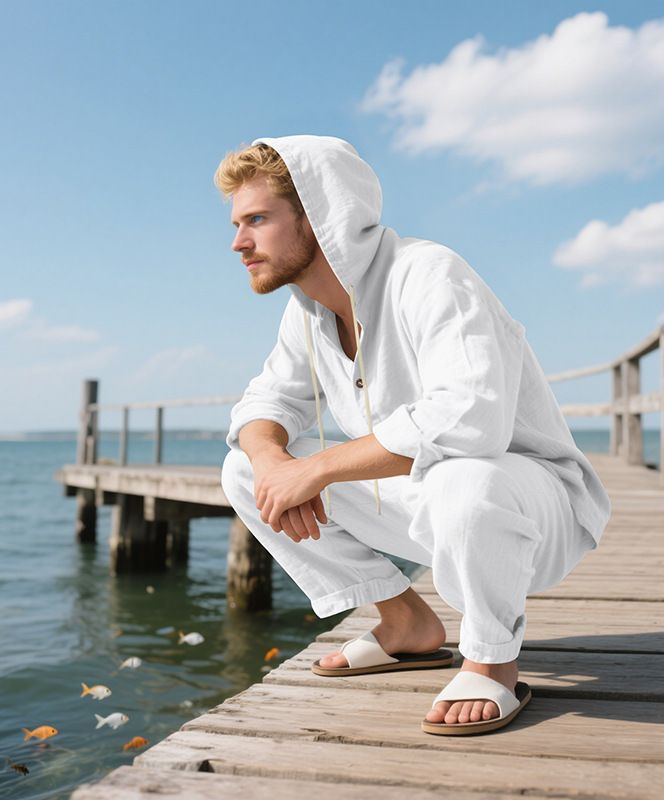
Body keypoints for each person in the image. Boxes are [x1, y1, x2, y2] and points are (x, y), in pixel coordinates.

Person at [216, 134, 611, 736]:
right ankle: (405, 624)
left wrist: (317, 468)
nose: (239, 242)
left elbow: (469, 418)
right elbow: (267, 401)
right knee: (244, 468)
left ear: (321, 214)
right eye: (238, 223)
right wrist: (273, 459)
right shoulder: (307, 311)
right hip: (427, 501)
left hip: (524, 505)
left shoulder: (429, 274)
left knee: (464, 474)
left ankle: (492, 659)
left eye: (258, 219)